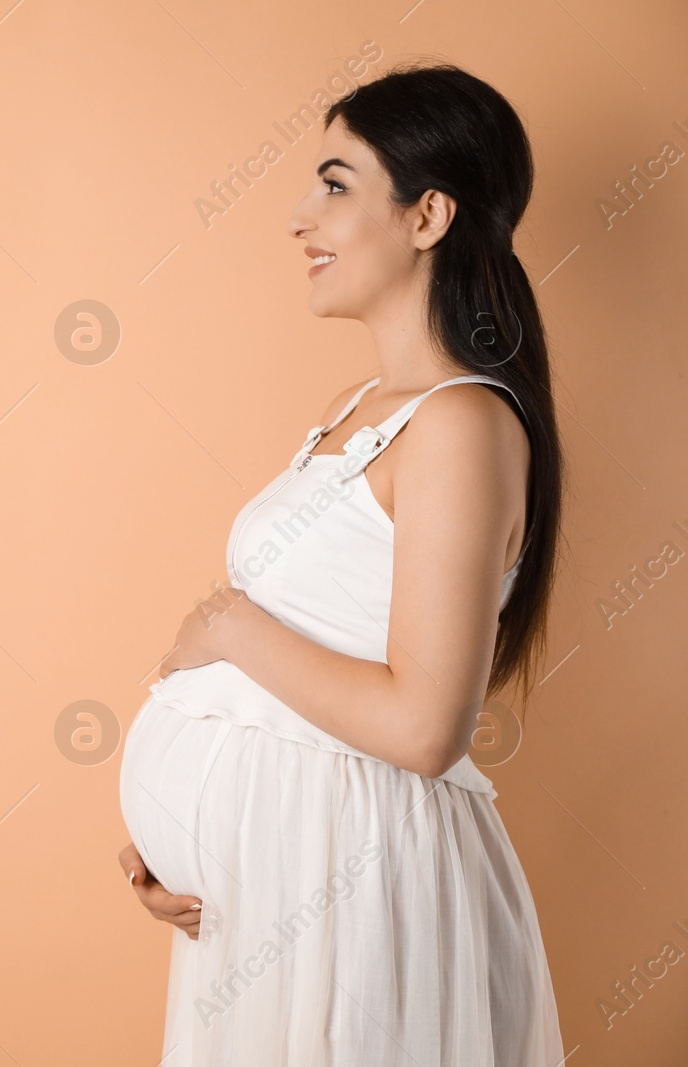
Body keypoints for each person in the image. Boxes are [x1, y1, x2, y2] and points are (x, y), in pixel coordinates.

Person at [116, 62, 569, 1065]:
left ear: (426, 215)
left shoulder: (459, 424)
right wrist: (183, 839)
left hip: (355, 891)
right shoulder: (355, 409)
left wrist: (231, 631)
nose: (299, 217)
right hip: (265, 899)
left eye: (333, 183)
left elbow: (422, 726)